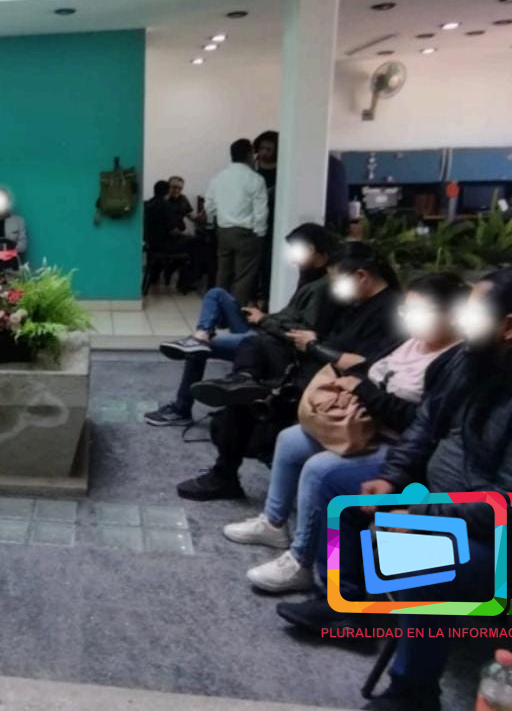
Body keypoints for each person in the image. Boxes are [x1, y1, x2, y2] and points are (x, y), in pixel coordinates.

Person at [336, 269, 512, 711]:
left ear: (510, 326)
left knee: (418, 559)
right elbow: (426, 425)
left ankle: (413, 692)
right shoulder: (476, 360)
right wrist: (394, 479)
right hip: (449, 504)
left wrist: (418, 516)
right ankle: (346, 604)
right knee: (342, 489)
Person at [223, 272, 467, 595]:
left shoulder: (452, 362)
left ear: (452, 314)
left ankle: (303, 561)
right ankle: (273, 523)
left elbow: (419, 422)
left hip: (397, 443)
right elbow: (368, 369)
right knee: (291, 439)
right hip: (365, 426)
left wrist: (364, 391)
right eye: (407, 311)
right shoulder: (410, 342)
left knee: (321, 471)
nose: (410, 319)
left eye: (419, 311)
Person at [179, 242, 402, 501]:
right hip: (317, 366)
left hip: (339, 385)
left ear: (361, 276)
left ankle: (226, 475)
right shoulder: (357, 304)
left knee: (243, 403)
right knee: (256, 345)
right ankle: (242, 379)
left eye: (338, 282)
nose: (335, 289)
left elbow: (367, 364)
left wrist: (314, 346)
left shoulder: (390, 311)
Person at [145, 223, 336, 426]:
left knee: (198, 351)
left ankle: (181, 409)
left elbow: (302, 333)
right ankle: (201, 335)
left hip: (273, 345)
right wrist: (264, 317)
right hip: (266, 332)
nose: (294, 259)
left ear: (312, 250)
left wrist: (263, 319)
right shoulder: (309, 276)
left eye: (297, 251)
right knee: (217, 294)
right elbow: (291, 316)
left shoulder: (323, 288)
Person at [206, 138, 269, 304]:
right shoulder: (255, 179)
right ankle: (235, 313)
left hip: (224, 232)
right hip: (247, 234)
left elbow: (209, 206)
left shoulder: (218, 178)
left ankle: (218, 311)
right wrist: (260, 234)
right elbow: (261, 211)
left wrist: (223, 216)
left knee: (223, 273)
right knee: (243, 277)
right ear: (249, 154)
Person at [144, 180, 197, 292]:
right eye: (173, 187)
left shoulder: (148, 204)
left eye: (180, 188)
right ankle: (183, 283)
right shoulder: (166, 206)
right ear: (168, 190)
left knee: (188, 241)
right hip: (165, 243)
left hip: (151, 243)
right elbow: (173, 230)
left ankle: (170, 270)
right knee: (194, 244)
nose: (176, 190)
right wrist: (184, 234)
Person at [253, 131, 279, 304]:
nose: (264, 152)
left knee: (269, 262)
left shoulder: (282, 170)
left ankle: (268, 299)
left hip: (273, 220)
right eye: (262, 148)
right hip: (253, 221)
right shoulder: (252, 168)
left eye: (269, 149)